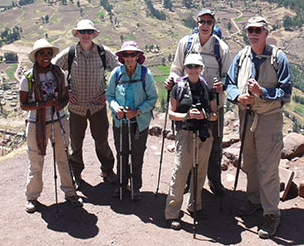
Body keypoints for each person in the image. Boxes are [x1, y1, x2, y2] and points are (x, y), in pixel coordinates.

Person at [225, 16, 292, 239]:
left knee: (268, 167)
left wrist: (263, 92)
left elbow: (286, 92)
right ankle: (254, 200)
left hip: (268, 119)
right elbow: (230, 83)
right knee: (250, 163)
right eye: (250, 30)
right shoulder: (242, 56)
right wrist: (237, 98)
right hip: (246, 116)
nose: (253, 33)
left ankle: (271, 213)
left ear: (266, 33)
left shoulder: (278, 58)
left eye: (258, 30)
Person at [165, 9, 231, 196]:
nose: (205, 25)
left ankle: (214, 181)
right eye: (202, 21)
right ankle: (188, 181)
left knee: (215, 144)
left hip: (212, 104)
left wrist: (222, 86)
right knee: (186, 143)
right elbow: (176, 69)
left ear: (214, 25)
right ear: (197, 23)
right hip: (187, 103)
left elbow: (228, 76)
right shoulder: (185, 44)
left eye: (209, 22)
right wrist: (172, 80)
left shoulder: (222, 48)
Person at [53, 19, 120, 185]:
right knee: (76, 143)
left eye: (89, 32)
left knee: (102, 140)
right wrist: (66, 91)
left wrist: (108, 93)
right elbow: (53, 70)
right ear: (77, 34)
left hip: (98, 106)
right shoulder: (69, 54)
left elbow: (120, 71)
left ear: (94, 34)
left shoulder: (103, 53)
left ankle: (107, 170)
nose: (85, 35)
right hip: (77, 107)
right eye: (82, 32)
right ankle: (76, 174)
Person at [20, 38, 83, 213]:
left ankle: (70, 193)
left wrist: (58, 104)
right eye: (42, 54)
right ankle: (32, 197)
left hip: (58, 120)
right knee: (36, 160)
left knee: (63, 157)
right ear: (36, 56)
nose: (46, 57)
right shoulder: (28, 78)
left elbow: (64, 97)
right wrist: (43, 105)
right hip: (36, 123)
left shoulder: (59, 74)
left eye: (48, 53)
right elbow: (23, 104)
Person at [164, 53, 218, 230]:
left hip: (203, 134)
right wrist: (186, 116)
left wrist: (205, 115)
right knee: (180, 171)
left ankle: (195, 205)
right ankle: (172, 212)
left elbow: (214, 114)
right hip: (185, 133)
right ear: (185, 68)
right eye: (189, 67)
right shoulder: (177, 88)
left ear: (201, 69)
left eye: (196, 67)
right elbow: (171, 113)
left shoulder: (207, 88)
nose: (193, 70)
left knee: (200, 171)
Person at [105, 41, 158, 201]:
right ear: (122, 57)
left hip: (139, 123)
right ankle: (121, 185)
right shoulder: (116, 73)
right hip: (120, 122)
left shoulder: (145, 74)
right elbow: (110, 96)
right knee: (122, 154)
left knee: (137, 155)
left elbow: (152, 98)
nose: (129, 58)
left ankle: (135, 187)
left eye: (132, 54)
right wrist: (116, 109)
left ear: (137, 56)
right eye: (126, 55)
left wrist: (138, 111)